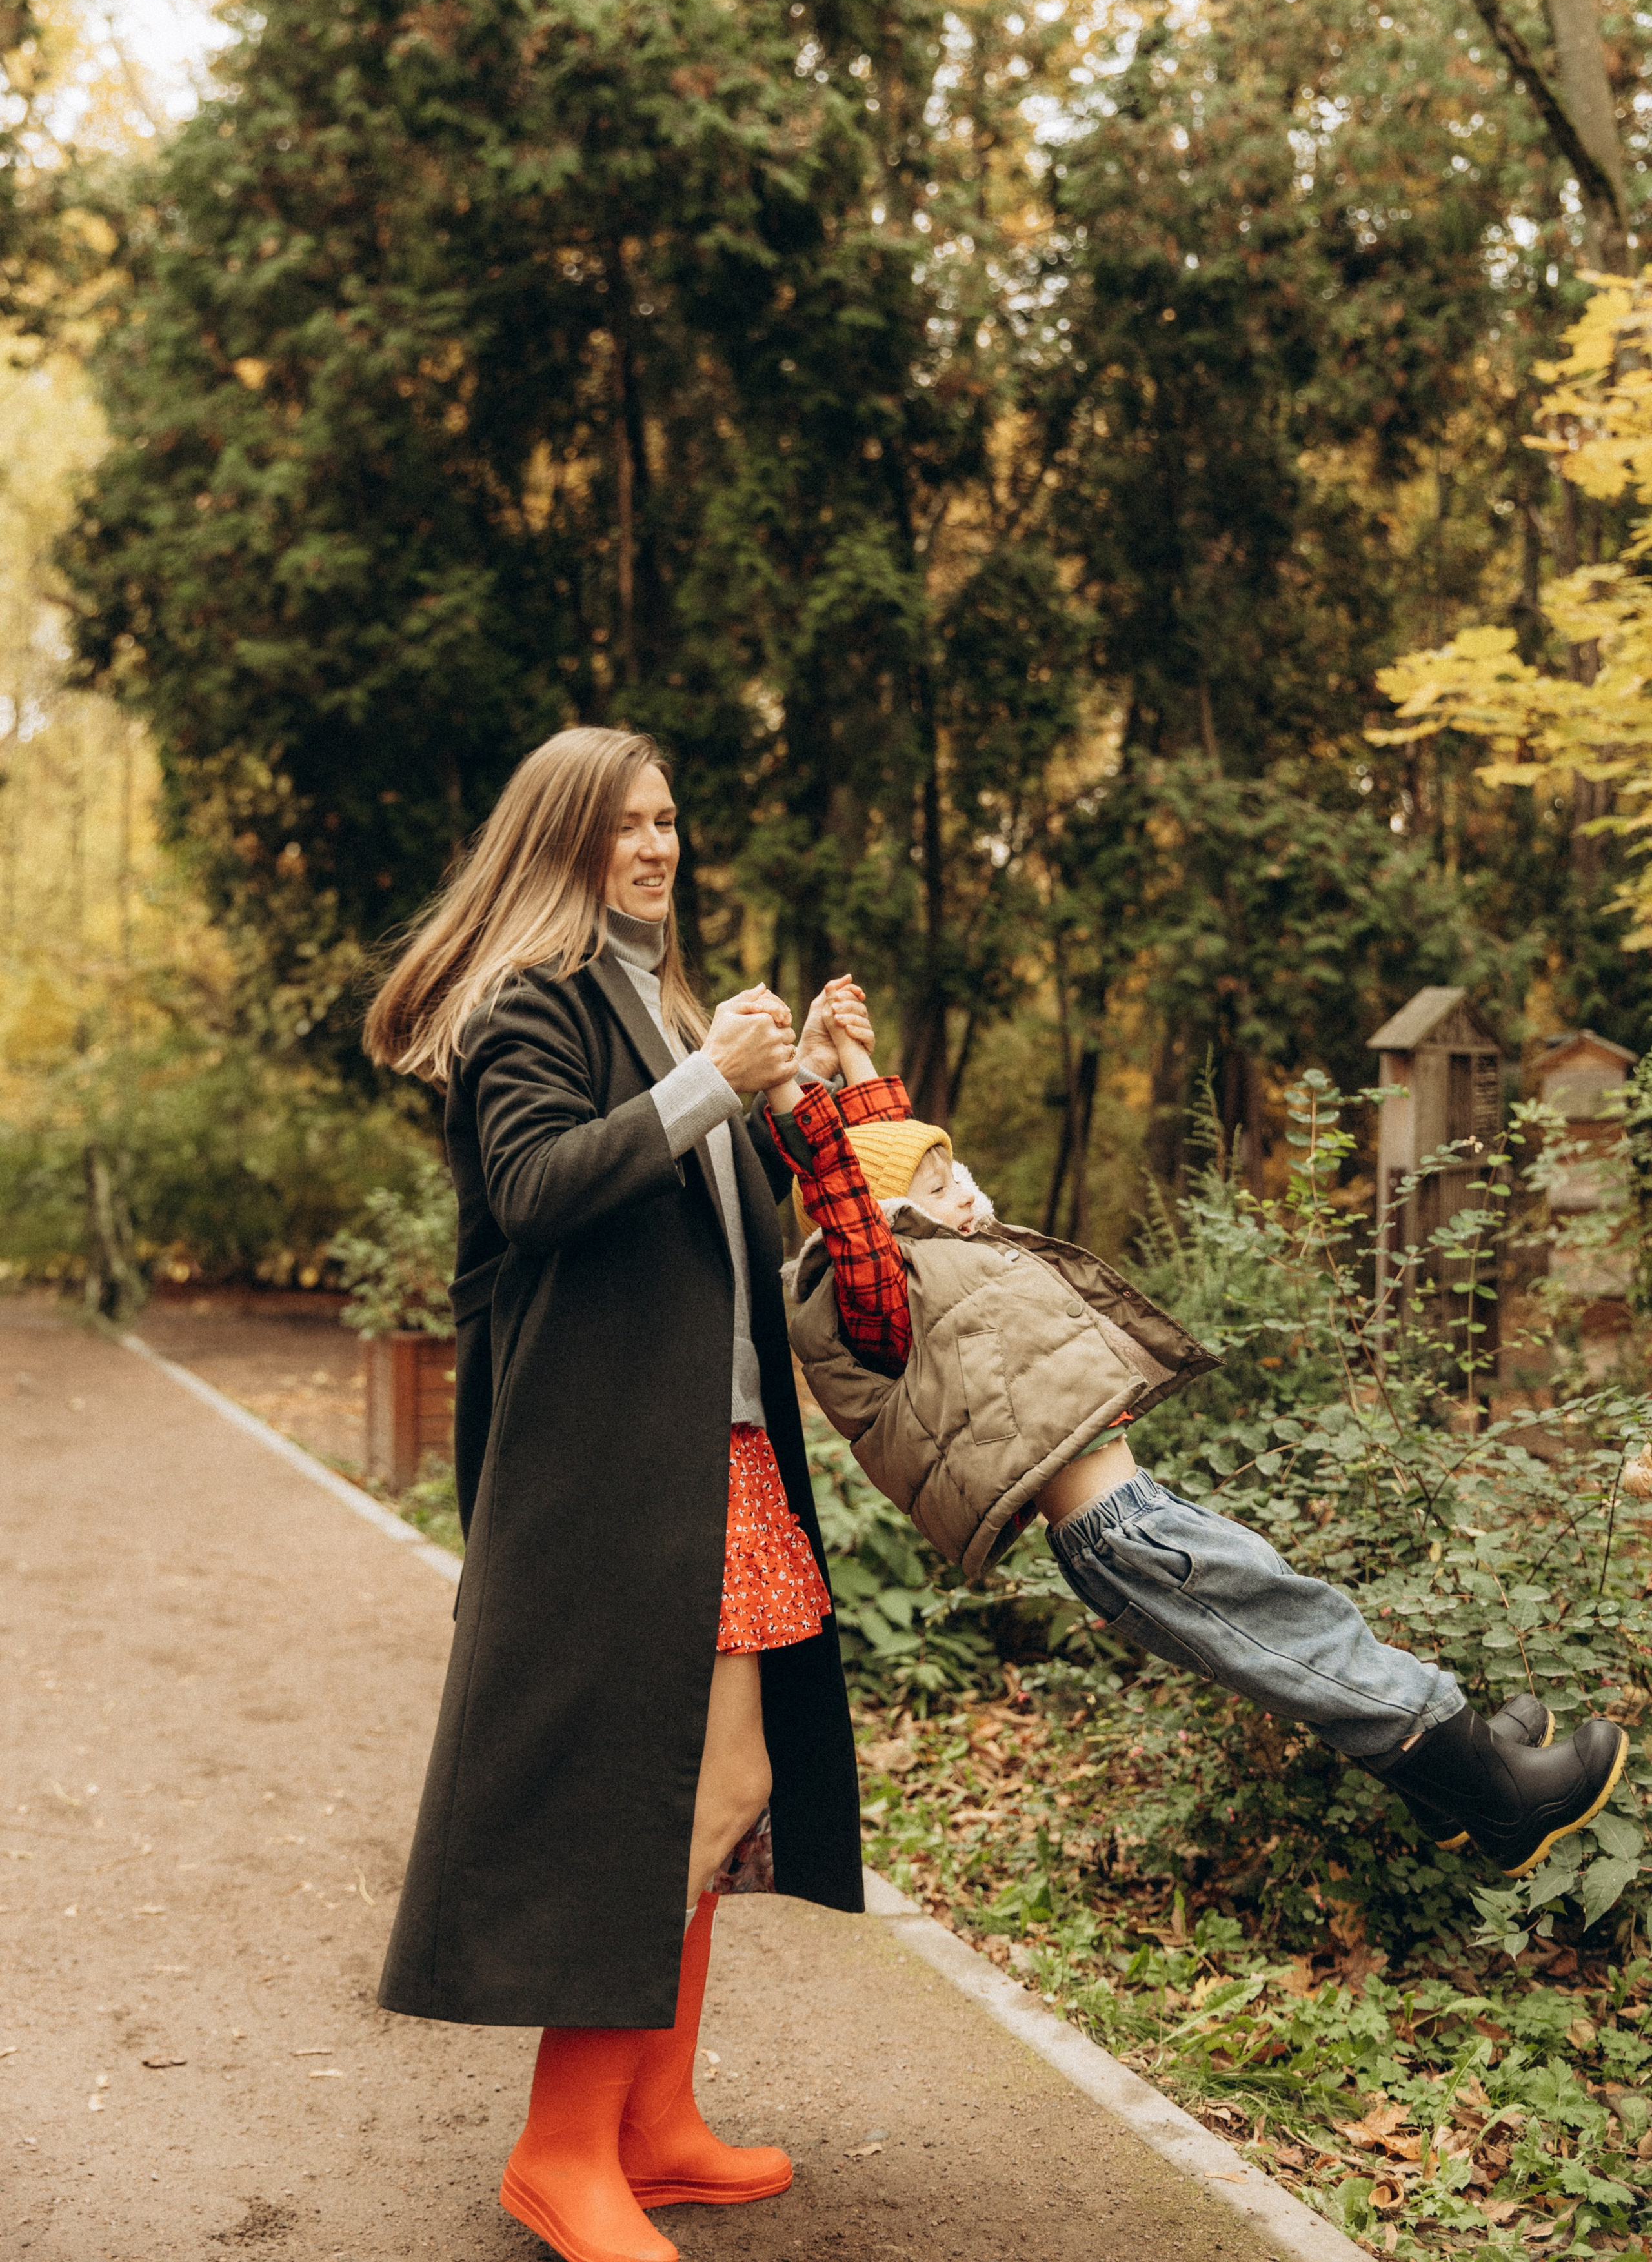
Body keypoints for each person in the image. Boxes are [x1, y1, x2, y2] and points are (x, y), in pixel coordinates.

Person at [363, 727, 865, 2262]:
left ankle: (651, 2124)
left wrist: (799, 1092)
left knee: (732, 1783)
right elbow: (535, 1189)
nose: (654, 847)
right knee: (671, 1796)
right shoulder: (535, 1003)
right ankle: (559, 2147)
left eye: (666, 822)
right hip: (609, 1471)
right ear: (560, 841)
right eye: (621, 826)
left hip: (715, 1455)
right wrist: (710, 1080)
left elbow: (712, 1215)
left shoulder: (660, 1007)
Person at [766, 990, 1628, 1883]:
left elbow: (885, 1154)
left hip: (1132, 1518)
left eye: (960, 1175)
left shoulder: (920, 1256)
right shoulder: (868, 1293)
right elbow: (850, 1187)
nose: (970, 1194)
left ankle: (1456, 1784)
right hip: (1122, 1533)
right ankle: (1501, 1794)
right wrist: (796, 1089)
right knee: (1302, 1629)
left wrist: (854, 1059)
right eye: (944, 1190)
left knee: (1294, 1631)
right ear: (884, 1218)